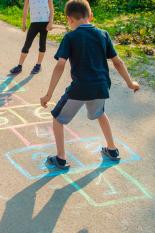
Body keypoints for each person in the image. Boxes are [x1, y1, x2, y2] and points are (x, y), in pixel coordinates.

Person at [40, 0, 140, 170]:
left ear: (69, 19)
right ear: (91, 16)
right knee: (100, 113)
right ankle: (112, 149)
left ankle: (61, 158)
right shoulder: (103, 34)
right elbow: (118, 62)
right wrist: (130, 83)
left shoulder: (70, 37)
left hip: (80, 89)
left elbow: (60, 65)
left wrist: (49, 94)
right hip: (101, 87)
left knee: (57, 119)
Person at [10, 0, 54, 75]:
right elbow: (25, 8)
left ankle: (38, 65)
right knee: (27, 44)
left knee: (42, 44)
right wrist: (23, 23)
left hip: (45, 23)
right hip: (34, 23)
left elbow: (51, 9)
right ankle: (19, 66)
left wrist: (50, 22)